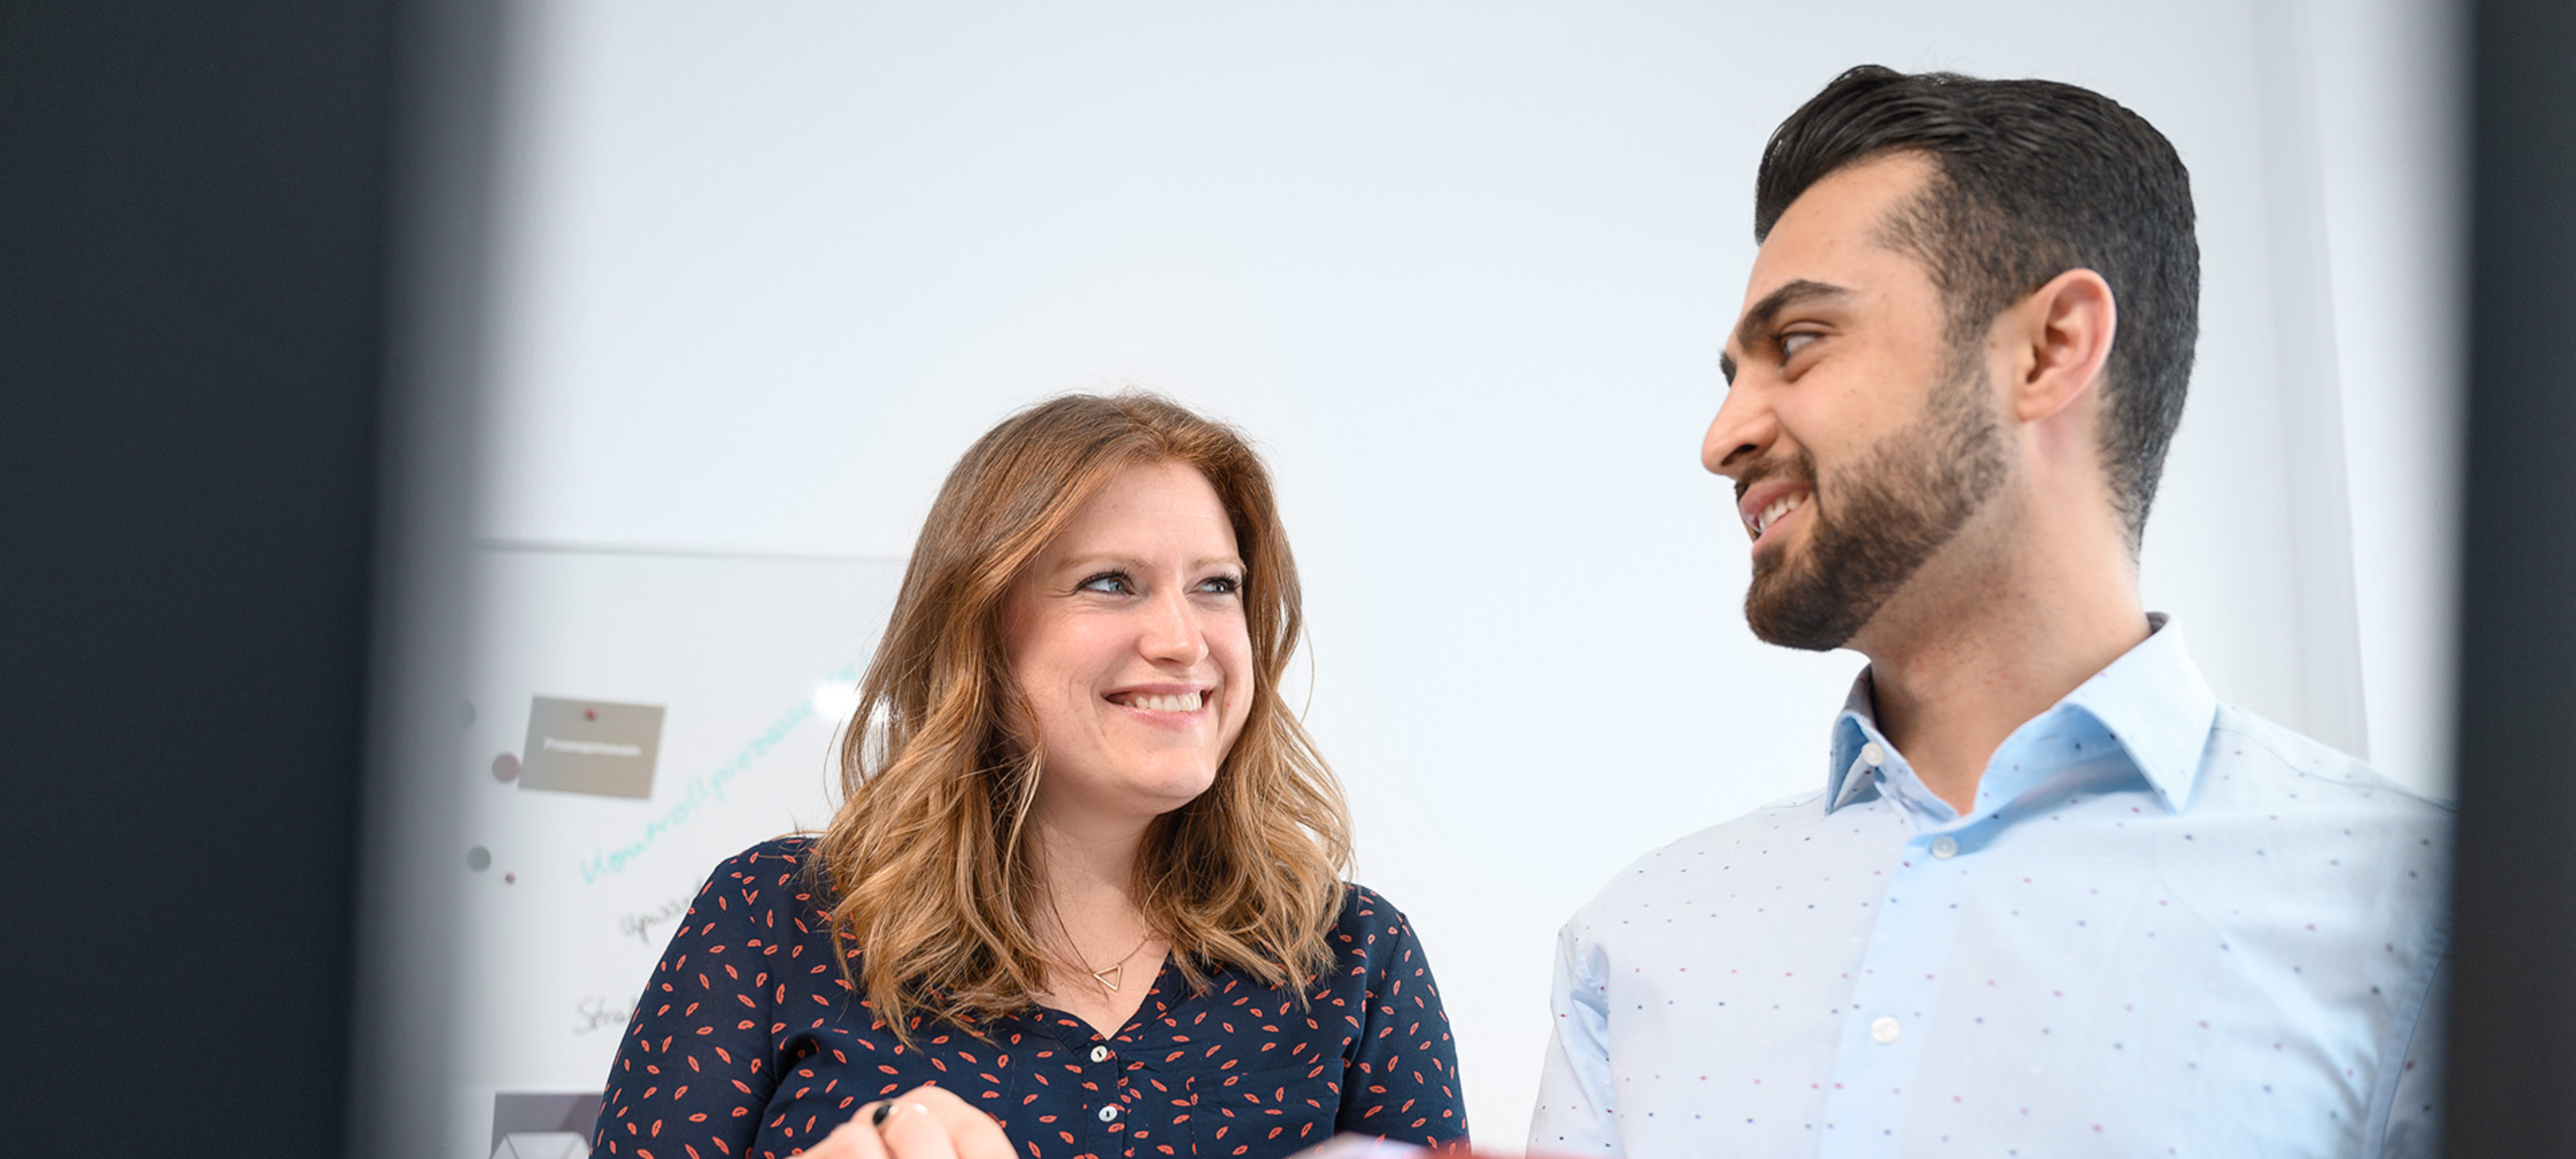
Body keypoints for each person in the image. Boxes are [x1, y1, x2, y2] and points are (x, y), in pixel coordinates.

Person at [1529, 66, 2449, 1157]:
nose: (1722, 436)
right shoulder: (1633, 946)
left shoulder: (2430, 911)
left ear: (2051, 349)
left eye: (1800, 343)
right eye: (1733, 374)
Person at [594, 394, 1468, 1159]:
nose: (1182, 640)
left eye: (1216, 586)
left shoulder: (1356, 960)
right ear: (979, 633)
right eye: (1112, 582)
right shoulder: (776, 919)